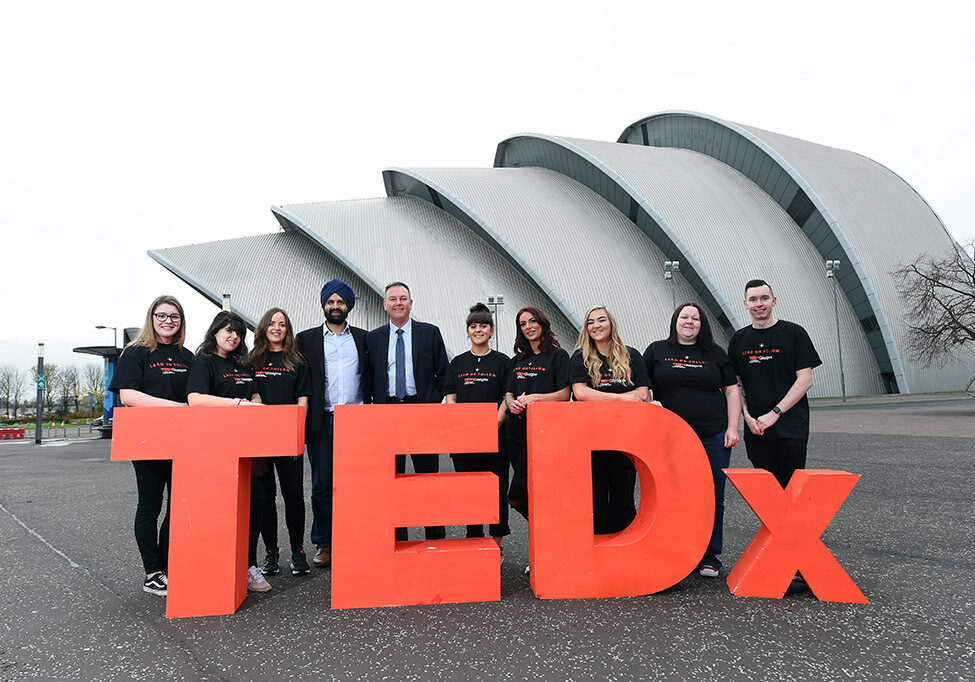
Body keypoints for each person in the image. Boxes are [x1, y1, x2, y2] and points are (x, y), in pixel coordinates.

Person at [644, 303, 741, 577]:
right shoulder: (657, 351)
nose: (689, 322)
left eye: (695, 318)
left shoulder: (715, 353)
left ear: (702, 324)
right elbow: (644, 389)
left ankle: (710, 557)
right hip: (670, 436)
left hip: (713, 434)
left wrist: (733, 427)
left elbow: (732, 392)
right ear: (675, 321)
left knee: (713, 496)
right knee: (671, 494)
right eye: (684, 317)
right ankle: (676, 552)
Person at [109, 295, 194, 597]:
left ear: (181, 321)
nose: (168, 321)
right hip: (146, 441)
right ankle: (153, 572)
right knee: (150, 505)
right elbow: (128, 396)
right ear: (152, 318)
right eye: (162, 315)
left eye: (174, 316)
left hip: (181, 442)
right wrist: (176, 407)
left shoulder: (187, 356)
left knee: (177, 506)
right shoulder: (137, 353)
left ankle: (168, 566)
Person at [186, 311, 270, 594]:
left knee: (256, 502)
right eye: (228, 330)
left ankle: (248, 565)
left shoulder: (242, 364)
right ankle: (218, 566)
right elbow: (195, 399)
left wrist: (255, 402)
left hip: (250, 445)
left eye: (238, 332)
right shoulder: (203, 363)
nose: (233, 336)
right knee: (222, 505)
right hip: (217, 446)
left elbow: (256, 394)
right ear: (215, 332)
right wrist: (238, 404)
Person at [365, 282, 453, 541]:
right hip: (388, 411)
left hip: (421, 410)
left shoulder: (429, 333)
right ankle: (398, 537)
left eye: (403, 298)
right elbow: (369, 377)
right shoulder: (374, 338)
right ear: (385, 305)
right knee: (393, 478)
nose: (398, 303)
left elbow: (443, 372)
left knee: (427, 477)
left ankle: (435, 536)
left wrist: (436, 404)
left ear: (411, 303)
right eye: (393, 299)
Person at [295, 279, 369, 569]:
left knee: (357, 483)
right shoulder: (306, 339)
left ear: (348, 306)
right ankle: (324, 543)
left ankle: (357, 538)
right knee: (322, 484)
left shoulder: (363, 338)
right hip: (321, 419)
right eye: (331, 302)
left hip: (357, 420)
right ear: (324, 304)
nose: (335, 306)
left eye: (340, 302)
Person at [728, 279, 822, 490]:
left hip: (791, 427)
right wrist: (748, 416)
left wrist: (775, 413)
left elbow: (805, 380)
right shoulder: (738, 340)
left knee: (791, 488)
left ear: (774, 301)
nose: (759, 304)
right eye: (753, 299)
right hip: (757, 429)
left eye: (764, 298)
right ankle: (772, 525)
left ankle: (793, 525)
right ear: (745, 304)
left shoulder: (794, 333)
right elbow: (737, 385)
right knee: (767, 492)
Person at [570, 306, 649, 535]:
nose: (596, 326)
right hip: (592, 437)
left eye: (601, 320)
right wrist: (623, 398)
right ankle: (599, 547)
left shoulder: (631, 355)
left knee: (623, 493)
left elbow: (643, 393)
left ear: (611, 323)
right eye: (591, 322)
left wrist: (613, 399)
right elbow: (581, 393)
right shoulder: (580, 357)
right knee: (595, 494)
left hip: (626, 437)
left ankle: (624, 547)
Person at [249, 308, 312, 577]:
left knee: (293, 496)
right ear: (263, 328)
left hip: (288, 439)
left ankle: (298, 550)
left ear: (288, 330)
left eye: (282, 324)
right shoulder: (252, 361)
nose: (277, 328)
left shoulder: (297, 360)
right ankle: (271, 552)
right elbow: (250, 395)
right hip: (260, 440)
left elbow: (303, 401)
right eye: (272, 324)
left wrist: (299, 436)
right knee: (265, 498)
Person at [444, 303, 511, 546]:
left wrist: (496, 423)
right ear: (468, 331)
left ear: (491, 331)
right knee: (469, 491)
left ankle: (497, 542)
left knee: (496, 490)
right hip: (465, 441)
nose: (478, 330)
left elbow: (507, 396)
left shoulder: (503, 362)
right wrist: (461, 426)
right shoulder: (458, 363)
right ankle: (473, 537)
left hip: (495, 438)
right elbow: (451, 396)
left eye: (483, 326)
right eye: (474, 326)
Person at [504, 306, 570, 524]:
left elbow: (565, 393)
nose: (528, 327)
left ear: (542, 324)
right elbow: (508, 392)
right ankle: (544, 536)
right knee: (531, 491)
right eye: (523, 324)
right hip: (515, 431)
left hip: (543, 432)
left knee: (518, 495)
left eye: (532, 322)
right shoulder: (518, 360)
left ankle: (547, 525)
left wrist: (535, 397)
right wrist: (511, 403)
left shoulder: (558, 356)